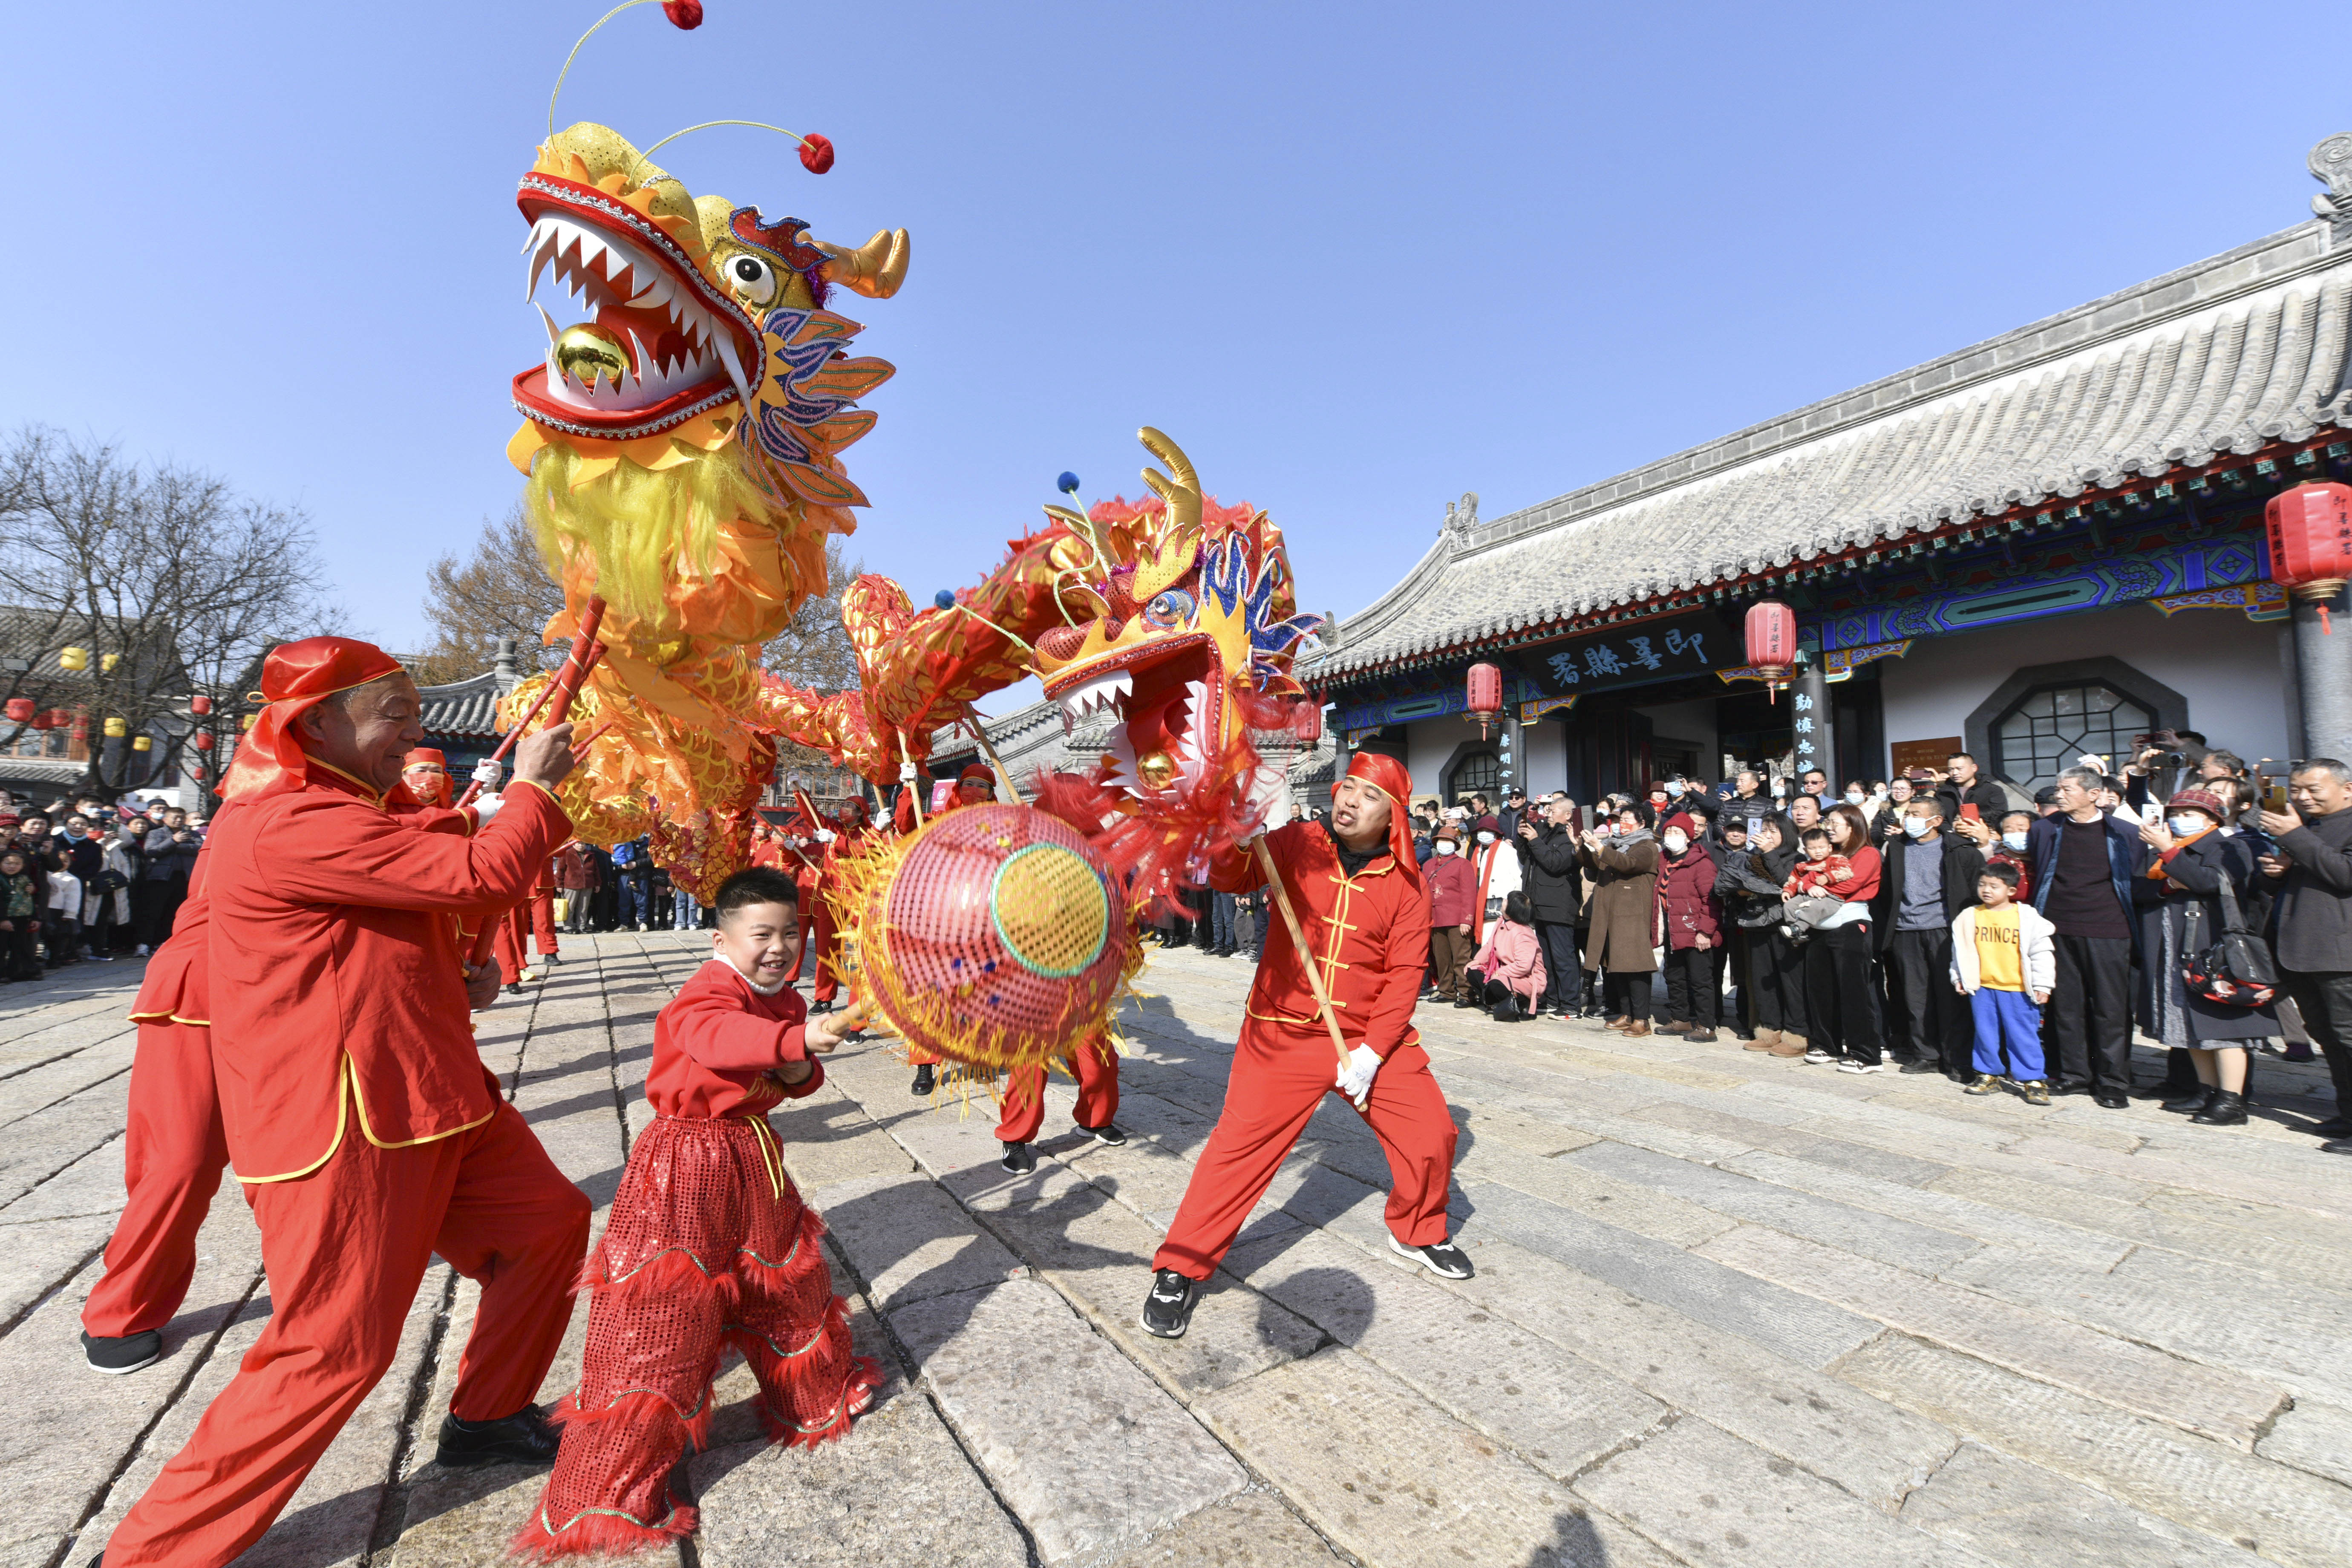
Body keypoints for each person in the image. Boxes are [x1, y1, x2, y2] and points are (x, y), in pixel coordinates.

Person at [97, 638, 591, 1568]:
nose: (412, 729)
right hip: (349, 1117)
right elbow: (474, 872)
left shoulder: (357, 811)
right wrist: (531, 791)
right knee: (333, 1348)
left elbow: (427, 878)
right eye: (393, 711)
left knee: (549, 1225)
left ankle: (487, 1416)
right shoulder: (283, 820)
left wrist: (463, 958)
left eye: (413, 708)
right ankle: (152, 1555)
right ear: (315, 723)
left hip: (434, 1091)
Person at [517, 867, 876, 1556]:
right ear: (721, 938)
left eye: (790, 934)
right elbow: (716, 1040)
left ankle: (811, 1399)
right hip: (684, 1167)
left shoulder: (785, 997)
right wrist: (798, 1043)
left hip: (752, 1158)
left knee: (787, 1282)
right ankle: (614, 1489)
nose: (778, 949)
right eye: (760, 936)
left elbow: (796, 1079)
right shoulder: (705, 992)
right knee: (663, 1321)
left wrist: (808, 1050)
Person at [1143, 753, 1467, 1339]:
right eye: (1348, 787)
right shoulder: (1296, 842)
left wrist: (1373, 1053)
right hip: (1282, 1032)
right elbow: (1232, 877)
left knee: (1433, 1132)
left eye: (1368, 796)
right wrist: (1232, 839)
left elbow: (1405, 973)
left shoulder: (1406, 883)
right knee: (1238, 1149)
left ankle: (1417, 1228)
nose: (1348, 801)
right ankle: (1180, 1265)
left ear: (1392, 816)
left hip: (1370, 1037)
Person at [2133, 787, 2275, 1126]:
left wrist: (2170, 854)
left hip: (2211, 949)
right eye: (2176, 814)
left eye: (2190, 814)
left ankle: (2232, 1100)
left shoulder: (2229, 846)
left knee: (2222, 1028)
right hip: (2170, 946)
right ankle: (2206, 1090)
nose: (2180, 821)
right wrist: (2170, 882)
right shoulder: (2162, 849)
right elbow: (2138, 887)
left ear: (2212, 819)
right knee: (2189, 1025)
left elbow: (2209, 882)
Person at [2027, 765, 2145, 1107]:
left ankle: (2113, 1081)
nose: (2058, 795)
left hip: (2108, 930)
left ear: (2095, 794)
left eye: (2066, 790)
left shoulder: (2124, 832)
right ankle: (2075, 1074)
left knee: (2110, 1009)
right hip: (2058, 929)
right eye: (2057, 789)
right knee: (2066, 1006)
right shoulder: (2044, 830)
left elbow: (2134, 877)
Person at [2257, 761, 2352, 1149]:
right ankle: (2347, 1113)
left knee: (2349, 1037)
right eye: (2295, 789)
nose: (2302, 797)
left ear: (2348, 788)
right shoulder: (2303, 826)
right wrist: (2276, 872)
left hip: (2341, 954)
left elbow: (2345, 875)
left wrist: (2295, 835)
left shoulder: (2309, 828)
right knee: (2327, 1038)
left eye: (2313, 789)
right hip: (2299, 949)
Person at [1872, 796, 1984, 1079]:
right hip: (1906, 932)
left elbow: (1973, 891)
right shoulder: (1896, 847)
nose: (1909, 818)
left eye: (1916, 814)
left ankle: (1956, 1058)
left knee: (1950, 997)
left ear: (1936, 821)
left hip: (1944, 931)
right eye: (1908, 813)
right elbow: (1887, 891)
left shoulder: (1959, 850)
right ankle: (1926, 1054)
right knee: (1915, 997)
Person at [1950, 863, 2054, 1103]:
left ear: (2011, 890)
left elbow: (2042, 952)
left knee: (2023, 1035)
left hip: (2017, 989)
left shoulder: (2027, 918)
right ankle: (1988, 1074)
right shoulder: (1970, 916)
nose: (1986, 890)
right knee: (1985, 1034)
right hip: (1983, 988)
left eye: (1994, 886)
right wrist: (1959, 977)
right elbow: (1961, 951)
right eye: (1982, 884)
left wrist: (2043, 985)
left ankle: (2034, 1079)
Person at [1799, 804, 1885, 1072]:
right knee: (1821, 988)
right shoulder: (1829, 854)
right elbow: (1803, 877)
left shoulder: (1868, 853)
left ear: (1853, 826)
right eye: (1828, 823)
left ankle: (1866, 1053)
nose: (1829, 827)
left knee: (1854, 991)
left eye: (1836, 823)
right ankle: (1827, 1044)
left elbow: (1850, 885)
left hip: (1850, 923)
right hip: (1820, 925)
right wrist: (1812, 883)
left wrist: (1814, 884)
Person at [1723, 814, 1805, 1056]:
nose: (1766, 836)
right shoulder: (1752, 857)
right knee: (1763, 980)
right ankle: (1770, 1030)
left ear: (1786, 835)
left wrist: (1769, 853)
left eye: (1773, 832)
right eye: (1764, 830)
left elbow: (1784, 883)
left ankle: (1797, 1035)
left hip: (1785, 926)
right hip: (1757, 924)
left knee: (1789, 982)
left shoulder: (1797, 858)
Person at [1580, 802, 1660, 1037]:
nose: (1622, 825)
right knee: (1616, 967)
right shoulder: (1614, 844)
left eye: (1628, 820)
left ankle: (1642, 1019)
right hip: (1611, 914)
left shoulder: (1647, 846)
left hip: (1632, 915)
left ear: (1642, 823)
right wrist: (1583, 846)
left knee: (1636, 968)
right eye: (1620, 820)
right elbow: (1594, 865)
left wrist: (1599, 847)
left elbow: (1628, 864)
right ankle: (1626, 1014)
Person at [1655, 813, 1722, 1042]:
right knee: (1674, 976)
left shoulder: (1701, 863)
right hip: (1674, 930)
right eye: (1668, 832)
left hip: (1695, 931)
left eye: (1677, 833)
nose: (1672, 837)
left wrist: (1705, 931)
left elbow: (1711, 901)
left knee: (1701, 980)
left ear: (1689, 837)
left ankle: (1706, 1026)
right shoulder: (1664, 861)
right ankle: (1680, 1019)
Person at [1521, 794, 1584, 1017]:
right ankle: (1553, 998)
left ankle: (1571, 1005)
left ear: (1567, 815)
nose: (1548, 814)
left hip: (1559, 905)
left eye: (1553, 811)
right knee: (1546, 958)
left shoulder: (1572, 838)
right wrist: (1526, 837)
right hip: (1540, 905)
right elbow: (1527, 856)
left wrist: (1536, 840)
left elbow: (1555, 864)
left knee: (1563, 958)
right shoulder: (1547, 833)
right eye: (1548, 810)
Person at [1465, 889, 1546, 1022]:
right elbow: (1490, 946)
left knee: (1496, 985)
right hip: (1505, 973)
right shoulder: (1502, 924)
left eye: (1507, 901)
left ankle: (1521, 1003)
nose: (1504, 902)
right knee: (1472, 971)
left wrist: (1499, 974)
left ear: (1512, 909)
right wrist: (1477, 961)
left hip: (1526, 978)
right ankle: (1494, 1004)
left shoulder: (1523, 934)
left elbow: (1523, 966)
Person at [1425, 824, 1476, 1006]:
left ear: (1455, 845)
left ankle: (1466, 994)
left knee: (1462, 957)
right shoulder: (1428, 865)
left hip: (1456, 919)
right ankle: (1446, 991)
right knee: (1441, 958)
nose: (1444, 844)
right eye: (1442, 841)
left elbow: (1469, 894)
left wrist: (1467, 920)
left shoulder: (1463, 864)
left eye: (1448, 841)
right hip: (1436, 918)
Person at [1466, 814, 1521, 944]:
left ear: (1496, 834)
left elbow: (1519, 880)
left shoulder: (1508, 851)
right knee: (1485, 947)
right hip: (1479, 908)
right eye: (1481, 831)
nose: (1484, 834)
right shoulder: (1476, 852)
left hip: (1500, 908)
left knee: (1499, 945)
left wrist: (1512, 906)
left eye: (1488, 831)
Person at [1935, 752, 2006, 829]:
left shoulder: (1992, 790)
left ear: (1974, 768)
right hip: (1952, 838)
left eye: (1960, 769)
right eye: (1951, 770)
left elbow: (1999, 816)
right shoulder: (1942, 793)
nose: (1955, 773)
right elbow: (1939, 818)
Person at [0, 848, 40, 980]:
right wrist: (3, 920)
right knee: (2, 945)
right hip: (4, 917)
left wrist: (35, 917)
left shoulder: (24, 879)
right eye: (8, 863)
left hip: (21, 917)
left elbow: (29, 900)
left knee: (20, 945)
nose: (12, 866)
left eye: (17, 863)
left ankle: (18, 972)